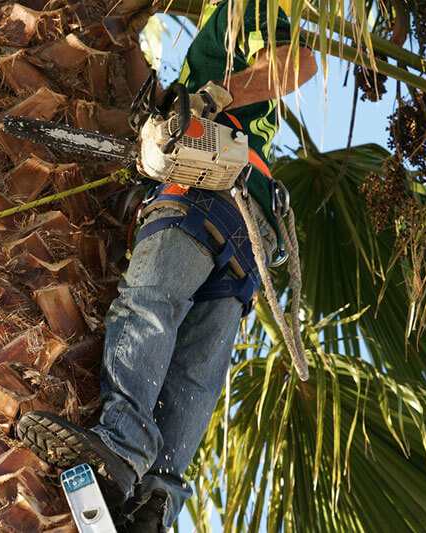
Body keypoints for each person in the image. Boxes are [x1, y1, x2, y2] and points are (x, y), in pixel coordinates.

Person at [17, 0, 317, 531]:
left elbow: (300, 63)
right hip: (249, 230)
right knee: (194, 371)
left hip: (206, 192)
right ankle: (155, 502)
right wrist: (128, 47)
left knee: (147, 306)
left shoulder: (240, 9)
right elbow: (164, 105)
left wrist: (211, 98)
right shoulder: (208, 36)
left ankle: (119, 446)